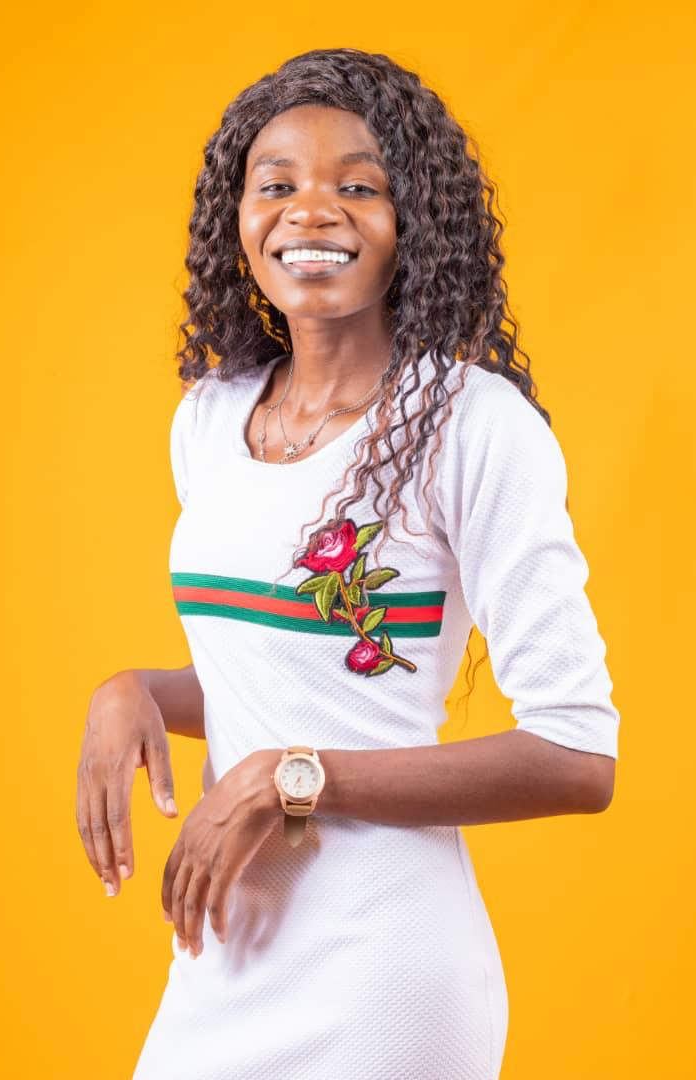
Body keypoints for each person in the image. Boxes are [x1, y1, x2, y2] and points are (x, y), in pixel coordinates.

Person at [76, 47, 620, 1080]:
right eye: (275, 184)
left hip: (381, 969)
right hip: (224, 953)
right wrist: (128, 690)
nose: (311, 211)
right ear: (236, 218)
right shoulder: (209, 418)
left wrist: (289, 779)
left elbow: (577, 756)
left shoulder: (470, 427)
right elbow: (279, 674)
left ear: (414, 220)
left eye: (358, 187)